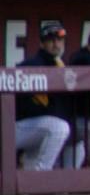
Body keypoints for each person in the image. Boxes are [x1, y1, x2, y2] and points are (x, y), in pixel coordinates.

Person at [13, 20, 72, 171]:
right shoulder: (32, 64)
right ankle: (42, 175)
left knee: (73, 137)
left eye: (59, 40)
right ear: (42, 43)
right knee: (60, 128)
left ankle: (37, 178)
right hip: (16, 127)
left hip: (38, 128)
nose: (56, 44)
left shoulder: (61, 66)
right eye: (51, 40)